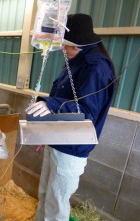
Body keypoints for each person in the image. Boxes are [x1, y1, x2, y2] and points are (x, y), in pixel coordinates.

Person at [26, 13, 116, 221]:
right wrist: (45, 103)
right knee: (44, 194)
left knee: (57, 201)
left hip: (72, 147)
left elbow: (87, 112)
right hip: (57, 138)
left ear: (78, 43)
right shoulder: (74, 61)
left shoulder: (96, 68)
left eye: (66, 44)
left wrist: (52, 104)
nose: (63, 49)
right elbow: (62, 95)